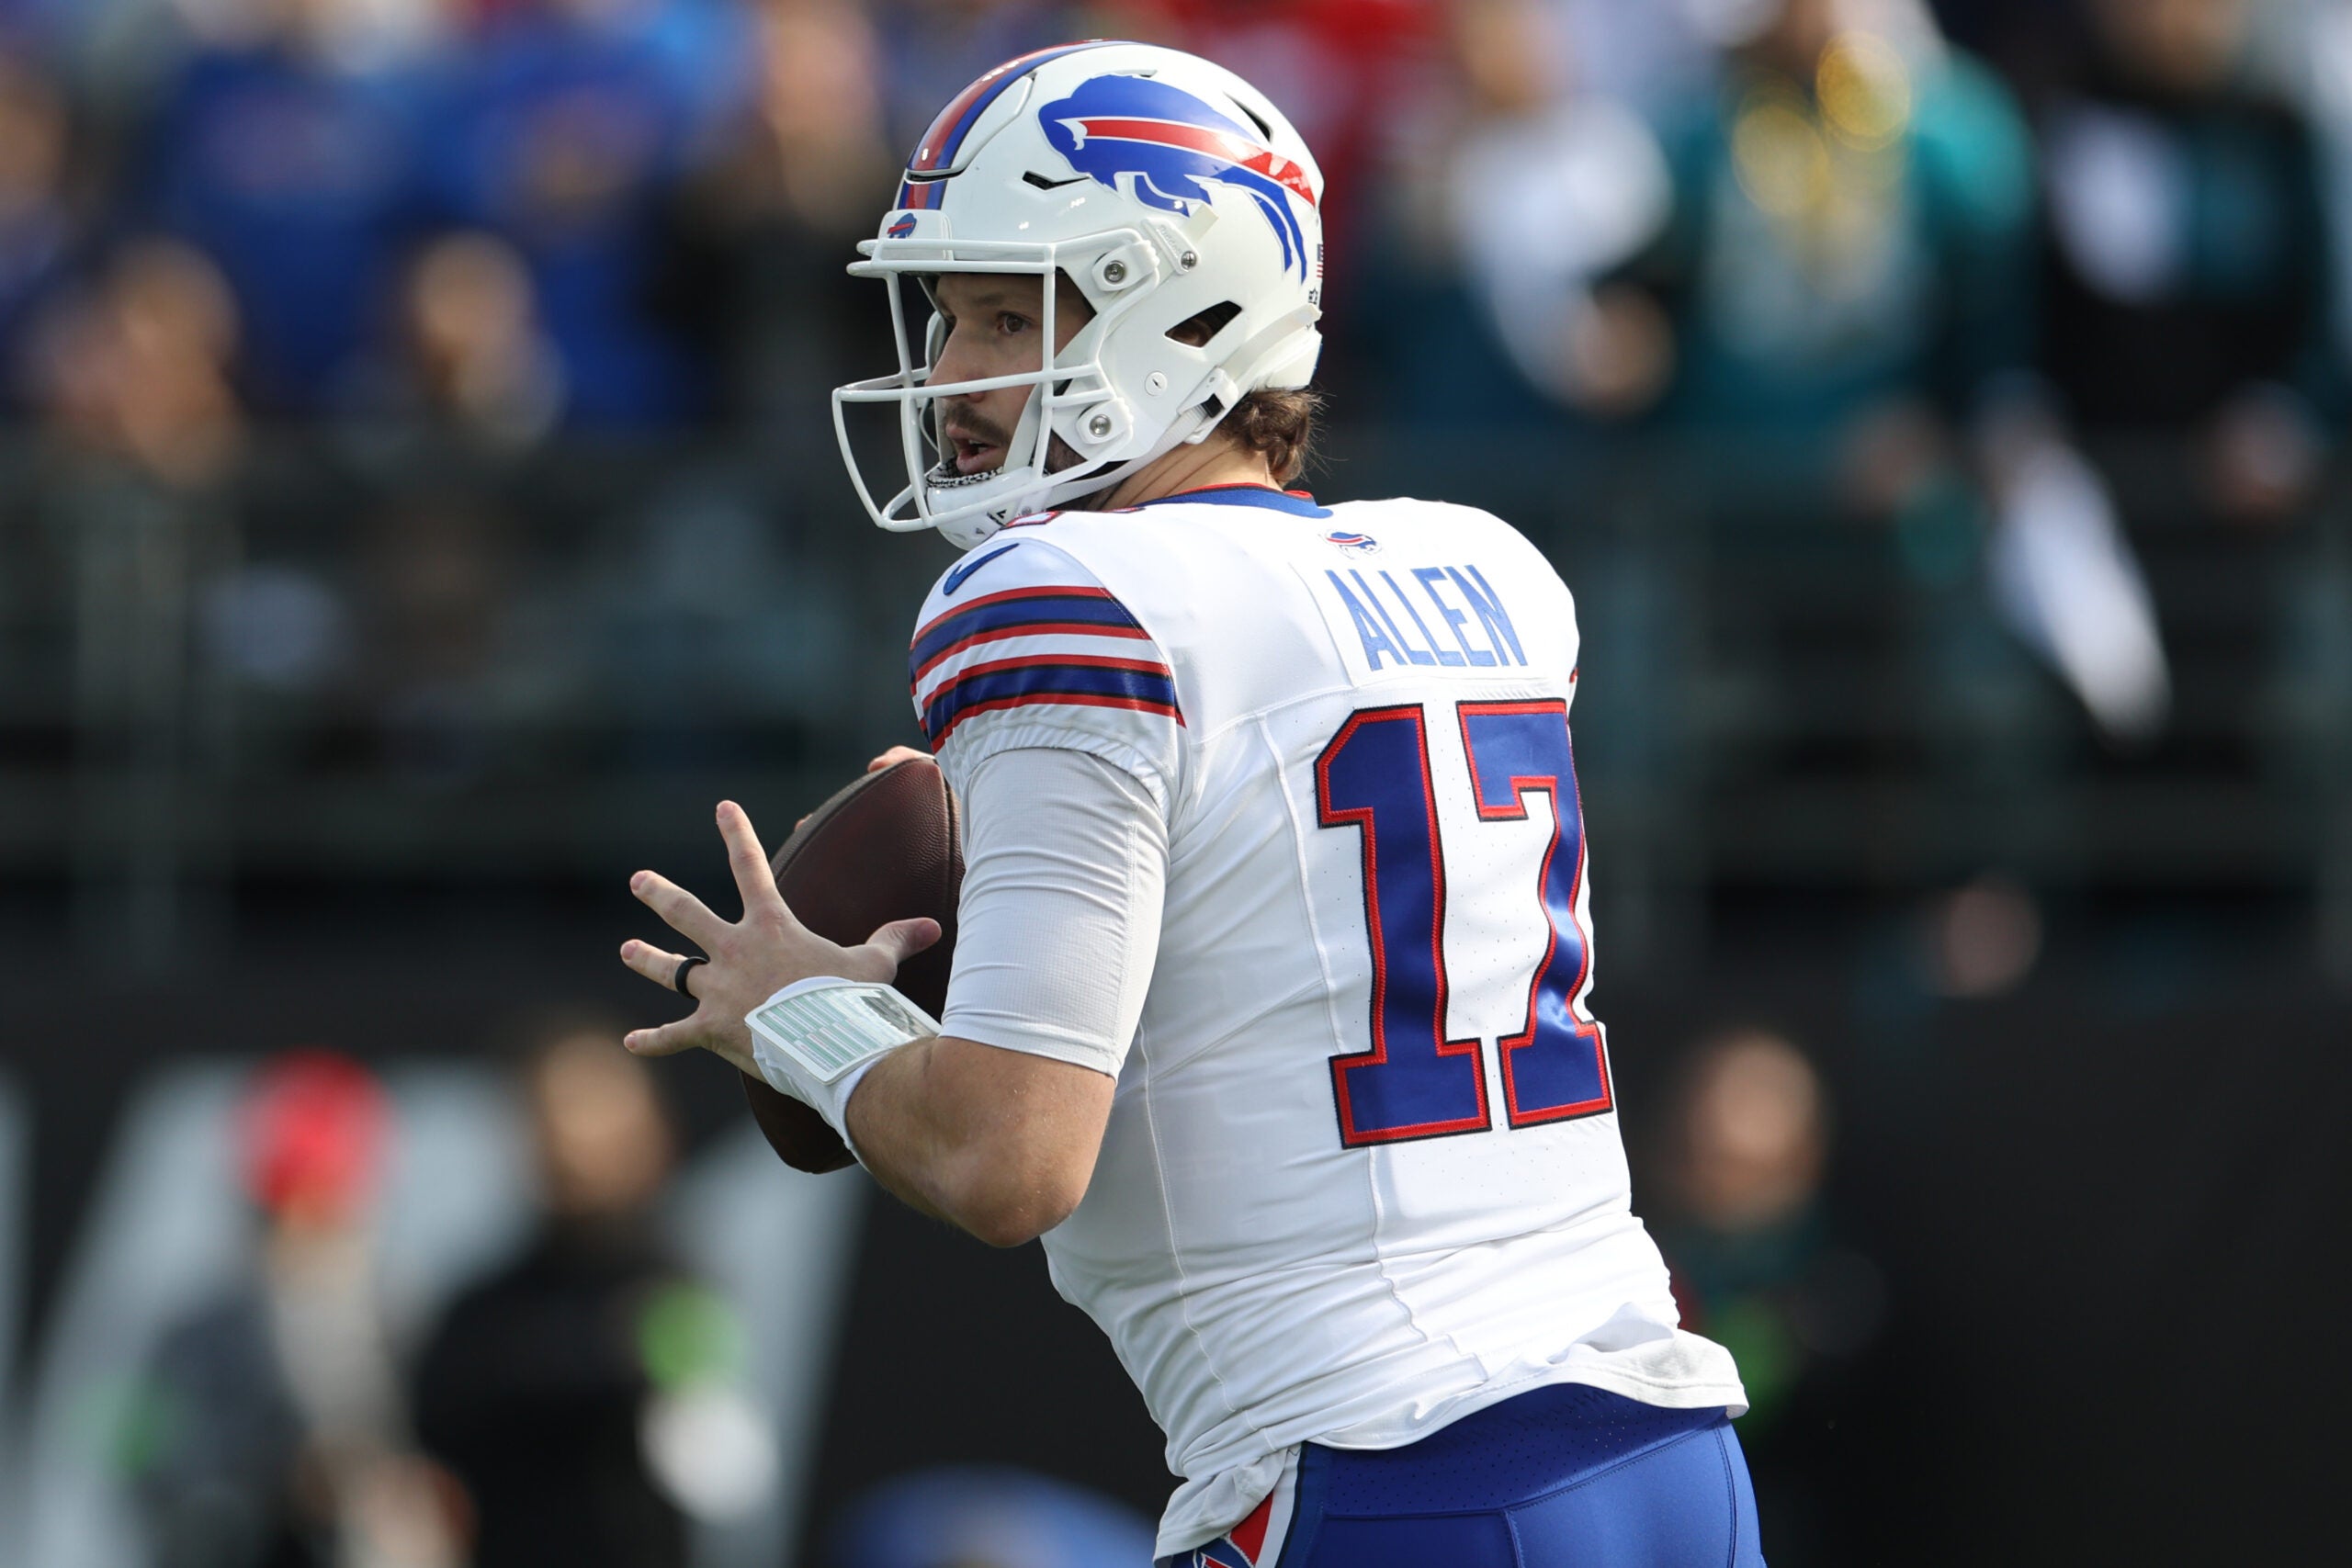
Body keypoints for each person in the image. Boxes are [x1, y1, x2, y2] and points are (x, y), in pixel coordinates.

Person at [618, 40, 1762, 1566]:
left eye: (1012, 314)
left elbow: (1011, 1161)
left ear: (1189, 307)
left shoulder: (1058, 598)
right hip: (1666, 1456)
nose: (956, 374)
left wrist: (805, 1019)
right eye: (950, 314)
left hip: (1383, 1474)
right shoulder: (1480, 570)